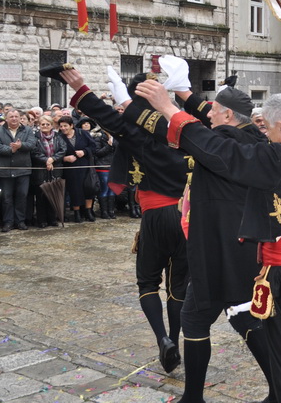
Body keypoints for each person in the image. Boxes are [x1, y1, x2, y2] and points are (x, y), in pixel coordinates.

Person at [133, 83, 281, 403]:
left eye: (269, 130)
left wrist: (168, 108)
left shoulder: (279, 158)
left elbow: (218, 150)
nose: (266, 136)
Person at [158, 66, 277, 403]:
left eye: (214, 110)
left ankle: (196, 397)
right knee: (235, 316)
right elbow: (204, 121)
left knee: (209, 318)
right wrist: (184, 92)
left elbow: (200, 135)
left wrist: (165, 105)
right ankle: (277, 388)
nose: (208, 114)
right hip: (236, 246)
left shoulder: (226, 141)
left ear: (227, 115)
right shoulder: (252, 138)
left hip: (222, 249)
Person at [60, 66, 188, 375]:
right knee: (178, 287)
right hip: (186, 215)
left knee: (147, 282)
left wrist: (81, 89)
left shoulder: (138, 135)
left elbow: (109, 118)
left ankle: (163, 339)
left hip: (155, 215)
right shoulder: (184, 127)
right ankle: (174, 339)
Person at [0, 109, 37, 232]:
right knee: (6, 197)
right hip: (5, 169)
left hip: (23, 169)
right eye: (11, 117)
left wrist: (21, 146)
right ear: (6, 118)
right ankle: (8, 222)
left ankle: (20, 221)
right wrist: (11, 150)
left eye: (16, 116)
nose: (14, 119)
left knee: (22, 195)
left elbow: (32, 144)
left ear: (20, 118)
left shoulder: (27, 130)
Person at [55, 116, 95, 223]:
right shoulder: (59, 137)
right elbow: (56, 153)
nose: (63, 128)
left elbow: (93, 146)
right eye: (61, 126)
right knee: (74, 190)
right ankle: (77, 213)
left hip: (85, 166)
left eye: (65, 126)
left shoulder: (82, 133)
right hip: (70, 168)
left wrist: (84, 152)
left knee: (88, 189)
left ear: (71, 125)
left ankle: (88, 211)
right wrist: (64, 158)